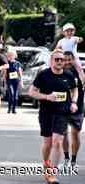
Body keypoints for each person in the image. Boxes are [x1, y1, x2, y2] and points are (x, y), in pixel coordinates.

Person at [29, 49, 78, 184]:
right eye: (56, 59)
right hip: (46, 112)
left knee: (57, 141)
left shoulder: (68, 75)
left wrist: (73, 102)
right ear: (51, 61)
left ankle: (52, 173)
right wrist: (46, 97)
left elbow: (74, 89)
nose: (59, 62)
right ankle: (46, 164)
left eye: (61, 60)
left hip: (62, 113)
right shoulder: (44, 75)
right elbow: (32, 92)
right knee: (48, 143)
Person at [62, 51, 84, 169]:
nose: (67, 62)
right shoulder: (59, 72)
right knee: (64, 134)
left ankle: (74, 160)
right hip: (62, 108)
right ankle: (66, 157)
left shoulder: (79, 73)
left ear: (73, 60)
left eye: (69, 59)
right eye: (64, 59)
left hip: (77, 107)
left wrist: (80, 70)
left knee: (75, 134)